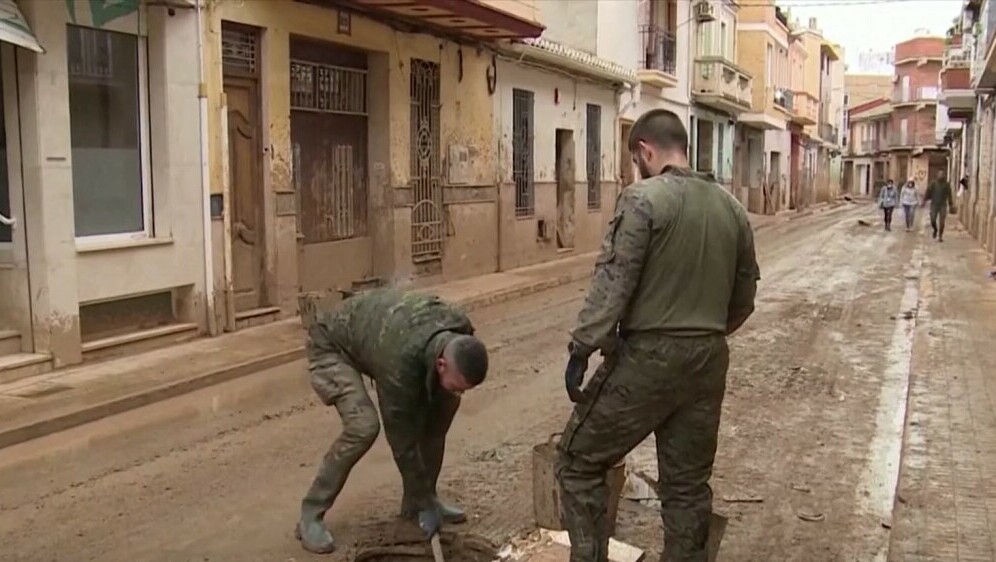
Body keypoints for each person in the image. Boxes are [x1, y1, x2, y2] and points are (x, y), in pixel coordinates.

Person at [557, 109, 759, 562]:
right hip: (708, 358)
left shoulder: (642, 200)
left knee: (577, 461)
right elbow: (744, 299)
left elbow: (615, 280)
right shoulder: (732, 209)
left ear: (645, 151)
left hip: (649, 358)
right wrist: (701, 334)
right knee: (686, 487)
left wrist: (582, 347)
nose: (637, 169)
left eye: (636, 160)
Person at [296, 289, 489, 554]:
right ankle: (310, 514)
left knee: (443, 409)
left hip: (382, 335)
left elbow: (443, 401)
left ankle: (421, 503)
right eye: (458, 385)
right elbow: (403, 442)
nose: (461, 392)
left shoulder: (458, 327)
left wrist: (423, 500)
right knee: (363, 426)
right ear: (441, 364)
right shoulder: (400, 364)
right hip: (333, 346)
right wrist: (422, 499)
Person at [924, 170, 955, 242]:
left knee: (942, 222)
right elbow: (928, 191)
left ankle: (940, 236)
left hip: (943, 205)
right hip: (934, 204)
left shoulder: (946, 184)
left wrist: (951, 204)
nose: (941, 176)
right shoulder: (933, 183)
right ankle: (935, 229)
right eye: (939, 174)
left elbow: (949, 195)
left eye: (942, 174)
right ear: (937, 175)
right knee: (933, 219)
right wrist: (924, 200)